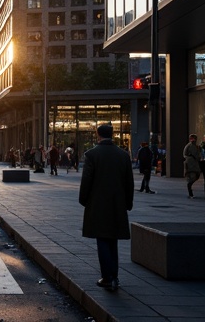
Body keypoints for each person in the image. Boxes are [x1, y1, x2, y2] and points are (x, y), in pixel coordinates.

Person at [78, 122, 133, 293]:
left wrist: (84, 200)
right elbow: (129, 182)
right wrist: (128, 203)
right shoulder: (123, 155)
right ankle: (114, 276)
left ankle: (107, 277)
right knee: (113, 239)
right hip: (117, 203)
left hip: (98, 203)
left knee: (101, 238)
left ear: (97, 134)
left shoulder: (92, 155)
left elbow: (86, 180)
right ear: (113, 134)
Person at [183, 134, 202, 198]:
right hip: (190, 163)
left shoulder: (197, 146)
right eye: (192, 138)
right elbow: (185, 154)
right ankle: (190, 192)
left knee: (197, 175)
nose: (193, 140)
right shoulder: (188, 146)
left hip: (195, 163)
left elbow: (199, 154)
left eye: (194, 138)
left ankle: (190, 188)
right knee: (192, 176)